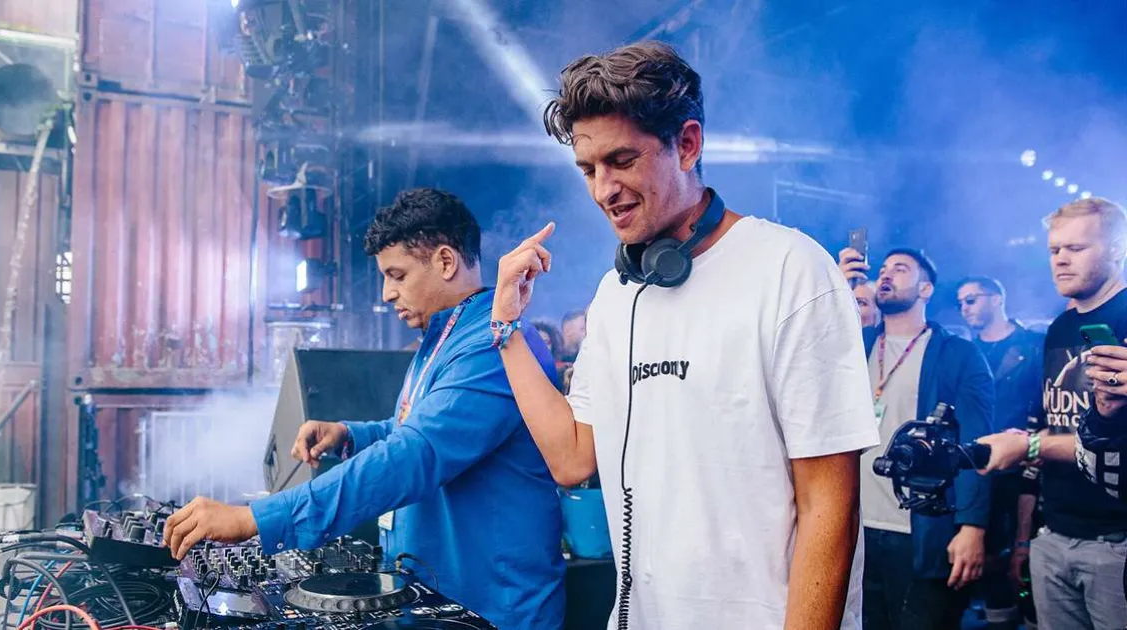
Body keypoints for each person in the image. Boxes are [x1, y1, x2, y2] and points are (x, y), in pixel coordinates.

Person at [492, 41, 880, 629]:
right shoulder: (617, 294)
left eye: (622, 160)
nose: (602, 189)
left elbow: (829, 503)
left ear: (688, 144)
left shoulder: (791, 270)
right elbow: (572, 458)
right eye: (589, 170)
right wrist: (506, 328)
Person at [162, 188, 566, 630]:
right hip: (439, 599)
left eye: (397, 275)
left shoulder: (495, 346)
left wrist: (256, 518)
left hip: (493, 610)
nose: (387, 293)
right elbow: (414, 427)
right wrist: (350, 434)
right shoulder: (444, 337)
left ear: (446, 261)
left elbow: (416, 454)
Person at [976, 197, 1127, 630]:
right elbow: (1053, 422)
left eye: (1075, 248)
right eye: (1054, 250)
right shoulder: (1060, 327)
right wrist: (1026, 536)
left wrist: (1029, 446)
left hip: (1116, 541)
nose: (1060, 259)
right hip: (1054, 532)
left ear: (1117, 249)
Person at [838, 246, 994, 630]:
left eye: (901, 269)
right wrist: (838, 286)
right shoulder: (855, 345)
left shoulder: (958, 355)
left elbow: (976, 445)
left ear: (925, 290)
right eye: (884, 268)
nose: (887, 274)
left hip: (920, 531)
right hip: (857, 529)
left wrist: (972, 526)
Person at [956, 275, 1044, 628]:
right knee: (990, 572)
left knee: (1023, 569)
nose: (964, 308)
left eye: (971, 299)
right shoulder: (964, 352)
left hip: (1028, 471)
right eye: (960, 303)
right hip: (980, 472)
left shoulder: (1034, 346)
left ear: (996, 298)